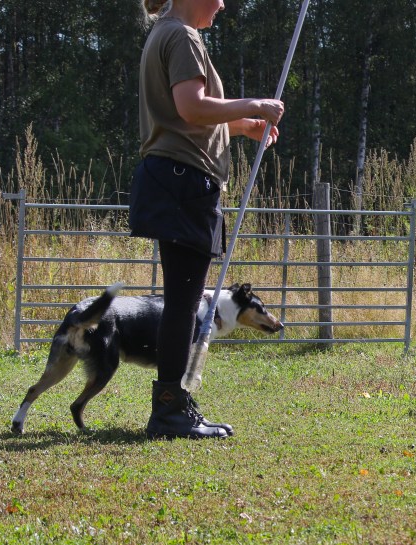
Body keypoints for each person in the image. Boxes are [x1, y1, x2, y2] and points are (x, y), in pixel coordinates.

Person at [129, 0, 283, 439]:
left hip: (171, 179)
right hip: (183, 184)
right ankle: (169, 412)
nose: (221, 4)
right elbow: (192, 107)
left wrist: (243, 125)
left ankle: (171, 406)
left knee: (181, 302)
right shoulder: (182, 36)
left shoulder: (165, 31)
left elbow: (185, 120)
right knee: (182, 305)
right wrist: (253, 102)